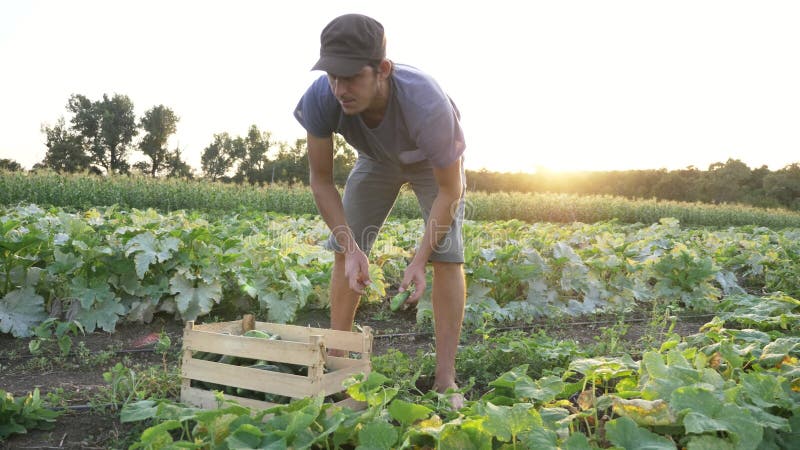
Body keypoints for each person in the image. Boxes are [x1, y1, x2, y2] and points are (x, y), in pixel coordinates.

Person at [294, 13, 467, 408]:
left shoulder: (427, 105)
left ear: (383, 70)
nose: (340, 88)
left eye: (352, 77)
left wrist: (419, 260)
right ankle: (338, 366)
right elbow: (321, 181)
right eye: (332, 76)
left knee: (447, 256)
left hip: (432, 165)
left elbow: (449, 189)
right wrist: (353, 247)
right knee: (344, 249)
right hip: (375, 159)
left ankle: (445, 379)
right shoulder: (323, 98)